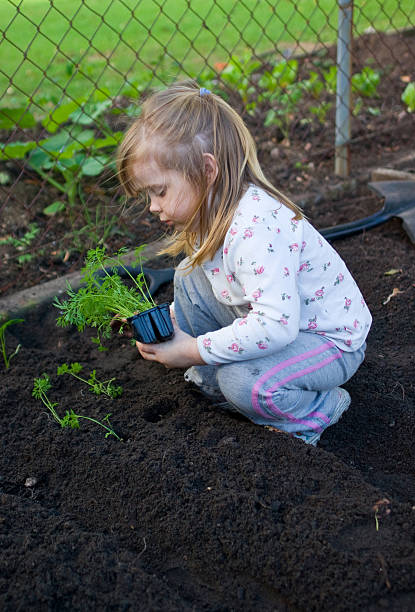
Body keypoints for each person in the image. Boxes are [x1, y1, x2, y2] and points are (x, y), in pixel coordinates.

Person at [117, 80, 372, 445]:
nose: (153, 206)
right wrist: (173, 318)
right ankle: (214, 377)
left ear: (207, 171)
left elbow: (275, 327)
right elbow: (228, 288)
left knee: (244, 384)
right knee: (190, 273)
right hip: (285, 322)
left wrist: (191, 350)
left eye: (159, 191)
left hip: (327, 342)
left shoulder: (255, 230)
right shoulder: (213, 213)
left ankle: (319, 409)